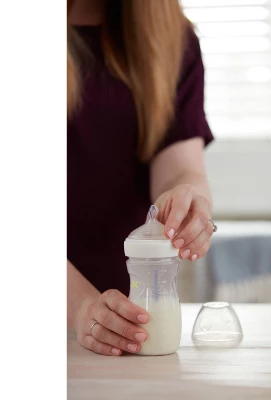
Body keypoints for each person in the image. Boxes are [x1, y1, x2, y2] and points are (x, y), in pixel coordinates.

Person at [67, 0, 214, 356]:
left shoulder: (172, 38)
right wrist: (79, 304)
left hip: (116, 328)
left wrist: (186, 199)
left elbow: (179, 168)